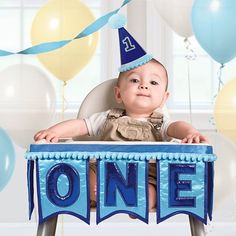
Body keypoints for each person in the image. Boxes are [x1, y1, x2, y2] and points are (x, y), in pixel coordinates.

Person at [34, 18, 208, 213]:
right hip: (106, 172)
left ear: (163, 98)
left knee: (154, 190)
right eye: (134, 80)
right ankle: (101, 194)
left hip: (144, 178)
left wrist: (191, 132)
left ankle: (140, 201)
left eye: (153, 83)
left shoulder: (161, 123)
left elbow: (177, 127)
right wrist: (53, 131)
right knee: (89, 175)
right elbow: (79, 125)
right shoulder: (107, 117)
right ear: (118, 94)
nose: (143, 85)